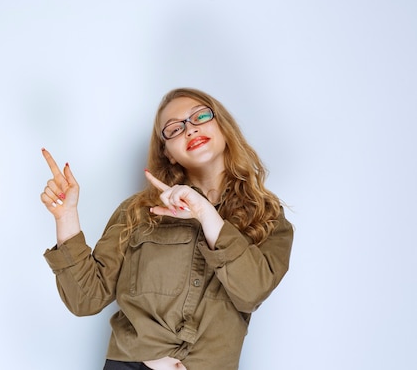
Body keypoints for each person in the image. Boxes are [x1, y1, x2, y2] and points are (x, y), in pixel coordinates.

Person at [40, 87, 294, 370]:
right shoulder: (138, 211)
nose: (190, 130)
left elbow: (252, 292)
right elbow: (85, 300)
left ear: (222, 125)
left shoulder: (267, 217)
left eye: (200, 116)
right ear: (167, 153)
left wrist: (205, 214)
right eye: (174, 128)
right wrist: (66, 217)